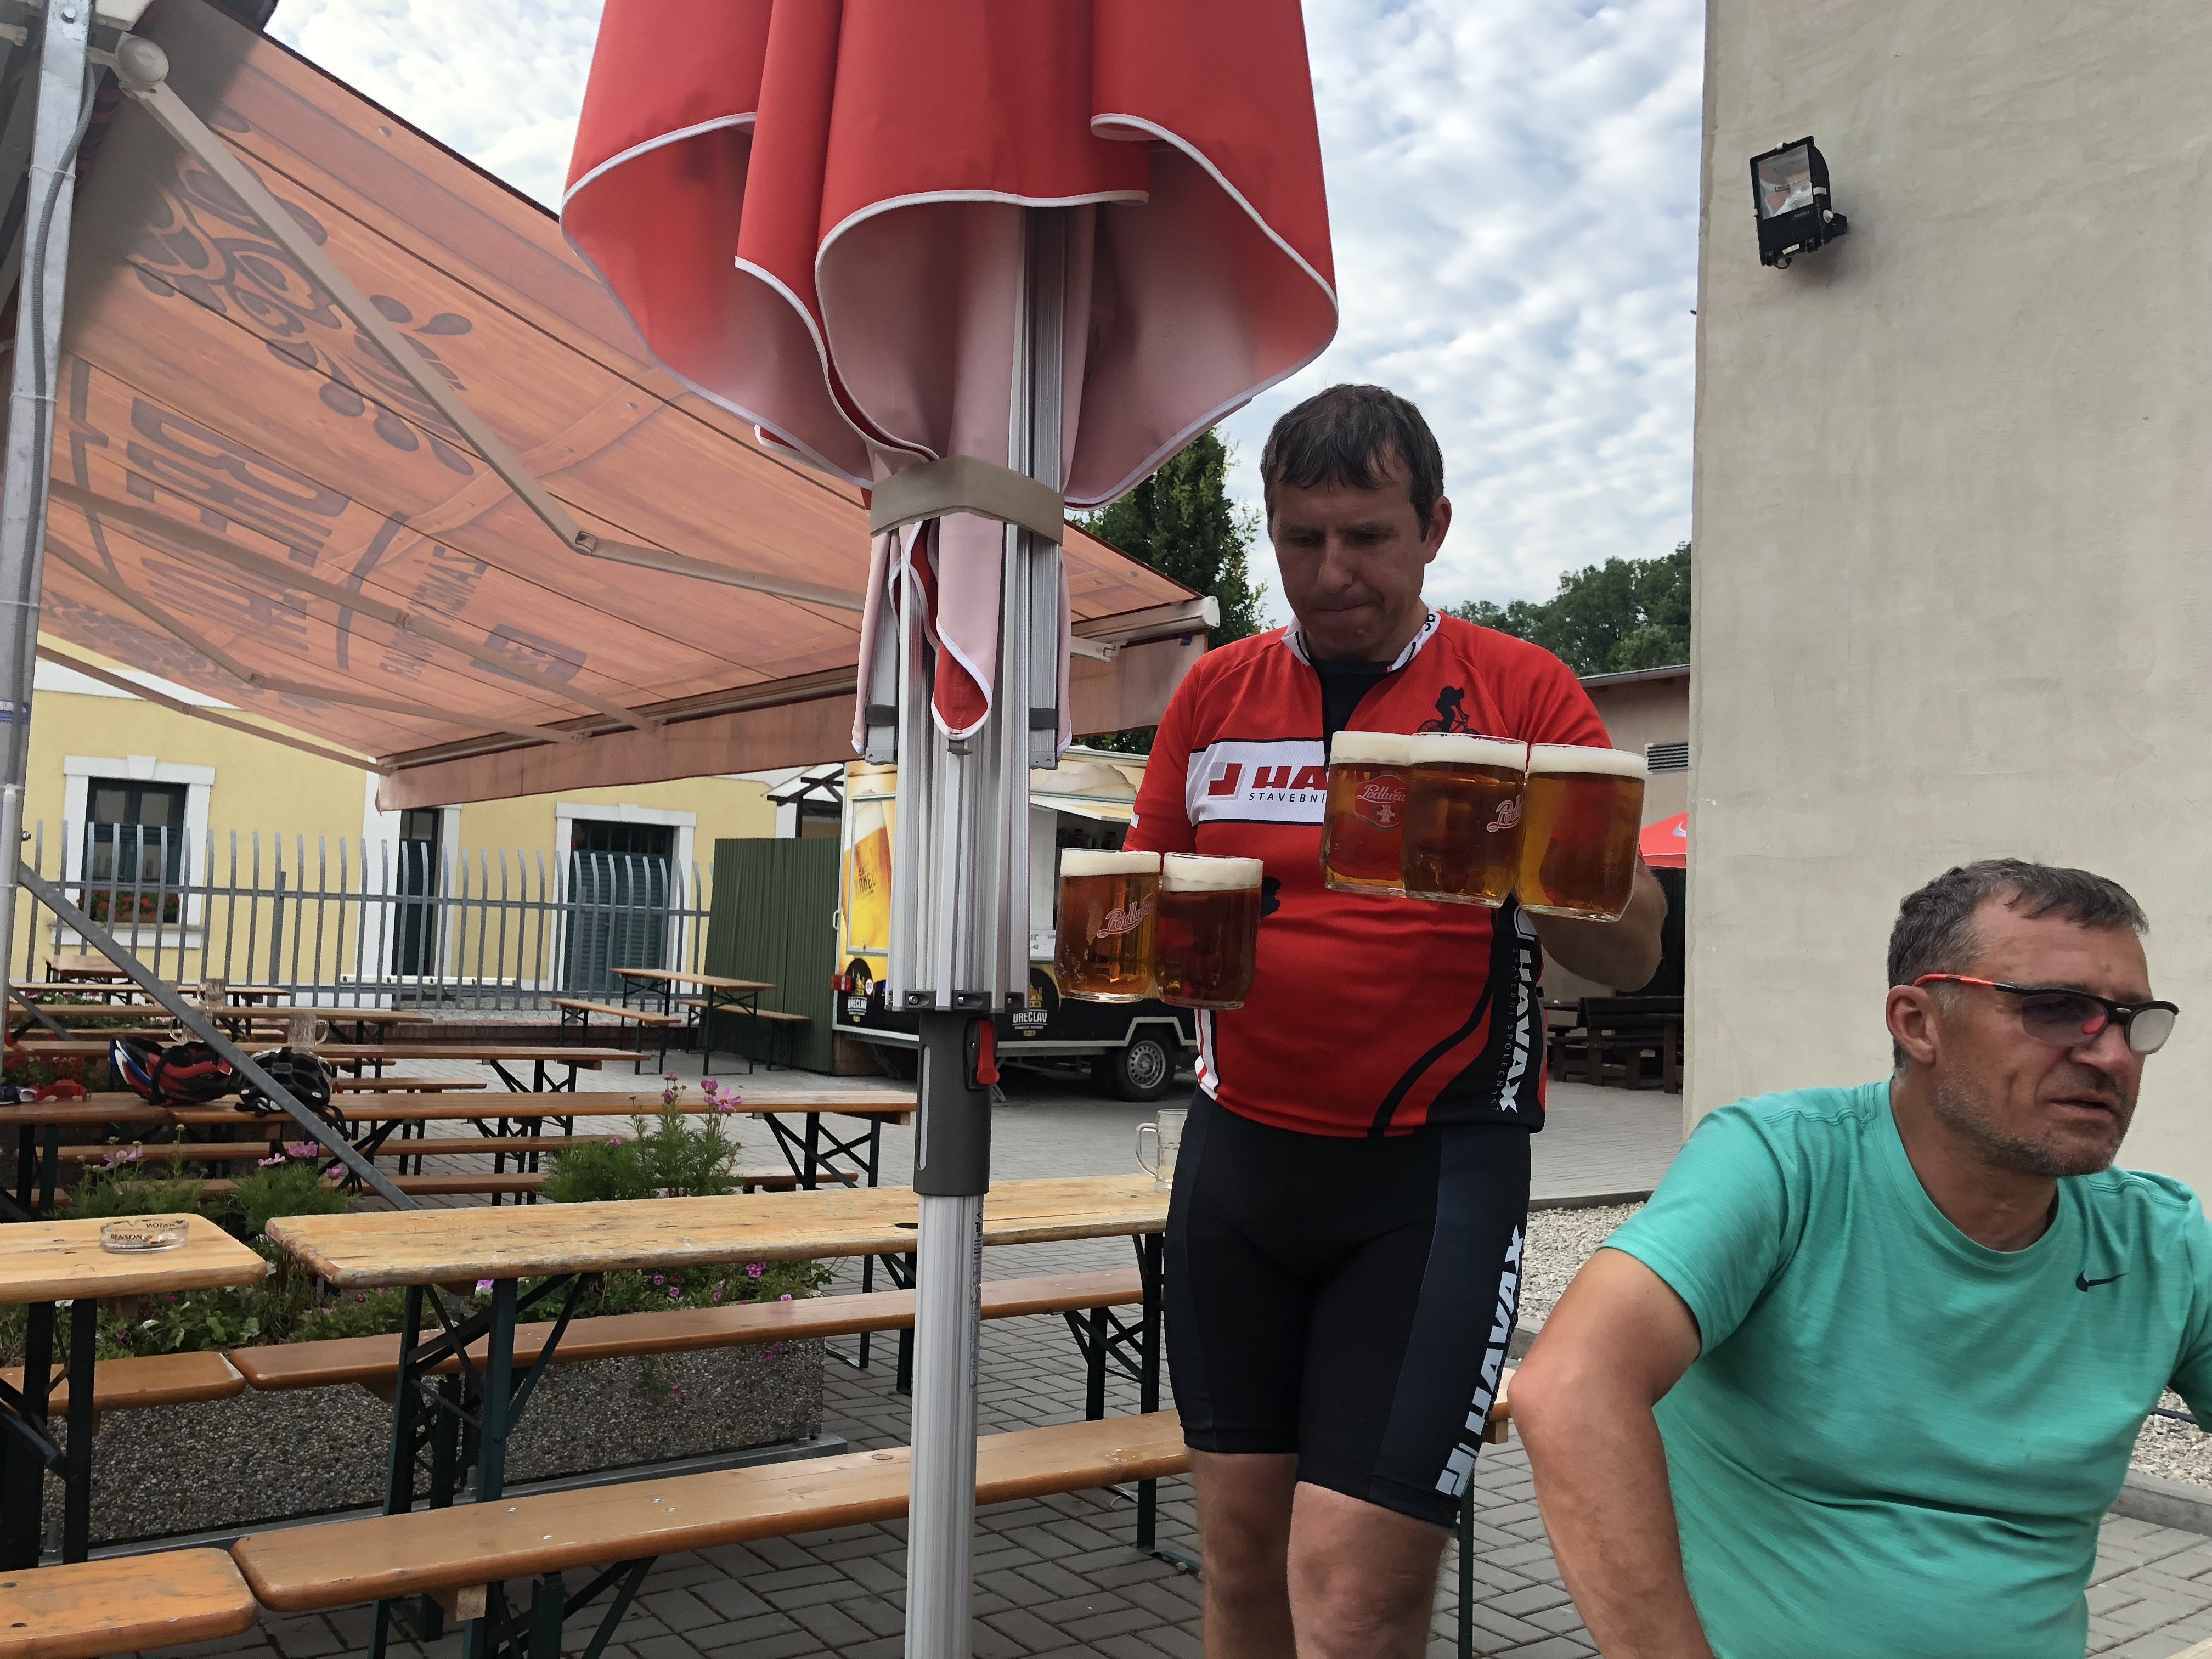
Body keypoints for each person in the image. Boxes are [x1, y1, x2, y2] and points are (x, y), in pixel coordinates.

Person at [1123, 383, 1665, 1659]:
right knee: (1241, 1562)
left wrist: (1521, 852)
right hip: (1239, 1163)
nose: (1332, 572)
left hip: (1434, 1176)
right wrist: (1149, 944)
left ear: (1434, 528)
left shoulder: (1523, 691)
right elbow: (1147, 908)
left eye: (1366, 536)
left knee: (1358, 1600)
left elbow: (1633, 950)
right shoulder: (1214, 695)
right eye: (1300, 538)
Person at [1511, 859, 2204, 1659]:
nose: (2113, 1056)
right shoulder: (1786, 1164)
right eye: (2056, 1010)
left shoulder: (2157, 1238)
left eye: (2132, 1019)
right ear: (1918, 1023)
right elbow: (1570, 1388)